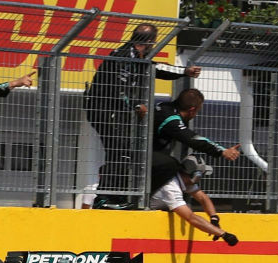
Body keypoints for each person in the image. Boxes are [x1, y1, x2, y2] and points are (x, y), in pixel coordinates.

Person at [83, 23, 202, 209]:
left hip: (113, 110)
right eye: (153, 42)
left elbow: (157, 69)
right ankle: (105, 198)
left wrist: (184, 72)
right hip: (102, 109)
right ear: (149, 41)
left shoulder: (139, 57)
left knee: (122, 151)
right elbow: (117, 88)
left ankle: (113, 196)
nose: (154, 46)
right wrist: (136, 105)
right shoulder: (124, 56)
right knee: (120, 150)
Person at [150, 88, 240, 195]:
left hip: (144, 154)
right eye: (197, 111)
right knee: (171, 165)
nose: (196, 115)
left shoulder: (164, 106)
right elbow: (192, 139)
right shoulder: (170, 120)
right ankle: (149, 195)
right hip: (140, 157)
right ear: (192, 110)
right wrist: (222, 151)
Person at [149, 155, 239, 246]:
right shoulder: (171, 188)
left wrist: (214, 218)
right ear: (193, 175)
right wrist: (224, 234)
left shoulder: (182, 180)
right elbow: (191, 217)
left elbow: (203, 198)